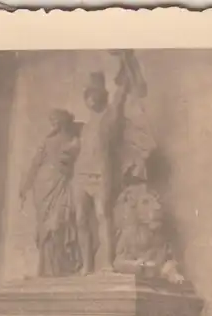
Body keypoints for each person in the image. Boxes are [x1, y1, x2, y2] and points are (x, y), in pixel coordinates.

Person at [73, 52, 132, 275]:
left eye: (94, 94)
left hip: (101, 173)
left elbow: (122, 93)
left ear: (102, 96)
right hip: (80, 174)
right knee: (80, 219)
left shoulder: (111, 115)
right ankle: (86, 265)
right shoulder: (85, 125)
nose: (90, 98)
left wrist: (127, 65)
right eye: (88, 95)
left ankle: (107, 262)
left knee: (102, 214)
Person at [19, 108, 82, 277]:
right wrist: (25, 186)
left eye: (56, 121)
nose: (53, 124)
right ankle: (48, 269)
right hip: (44, 186)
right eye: (52, 121)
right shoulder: (49, 141)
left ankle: (60, 267)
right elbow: (35, 163)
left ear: (63, 122)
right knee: (47, 225)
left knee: (60, 222)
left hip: (60, 183)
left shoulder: (75, 139)